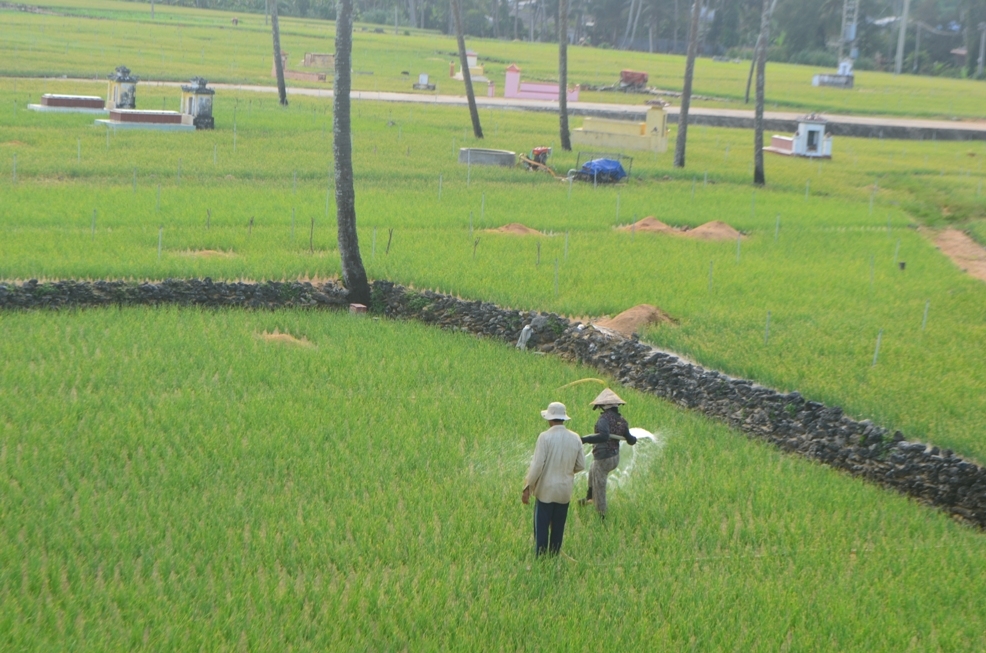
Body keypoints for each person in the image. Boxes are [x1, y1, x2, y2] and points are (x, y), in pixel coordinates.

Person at [522, 401, 586, 557]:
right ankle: (554, 557)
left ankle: (541, 559)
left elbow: (537, 466)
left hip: (546, 491)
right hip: (564, 491)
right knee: (558, 527)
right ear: (563, 418)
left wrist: (527, 487)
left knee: (542, 527)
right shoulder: (575, 437)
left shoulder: (545, 437)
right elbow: (581, 465)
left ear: (549, 419)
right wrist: (566, 472)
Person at [579, 388, 636, 518]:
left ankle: (602, 516)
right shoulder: (622, 421)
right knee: (592, 469)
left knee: (600, 486)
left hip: (604, 458)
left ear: (603, 406)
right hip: (614, 458)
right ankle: (589, 496)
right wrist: (633, 439)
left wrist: (584, 439)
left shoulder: (603, 419)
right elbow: (630, 440)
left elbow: (604, 436)